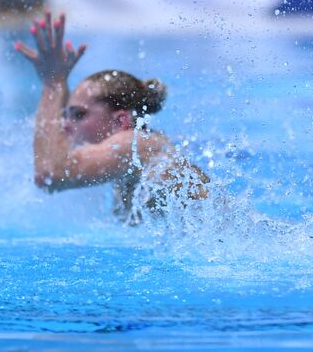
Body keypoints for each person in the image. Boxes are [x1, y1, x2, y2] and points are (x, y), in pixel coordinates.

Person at [15, 12, 209, 221]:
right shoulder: (138, 155)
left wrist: (53, 83)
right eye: (66, 115)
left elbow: (50, 174)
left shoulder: (136, 145)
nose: (65, 126)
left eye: (79, 115)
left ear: (120, 121)